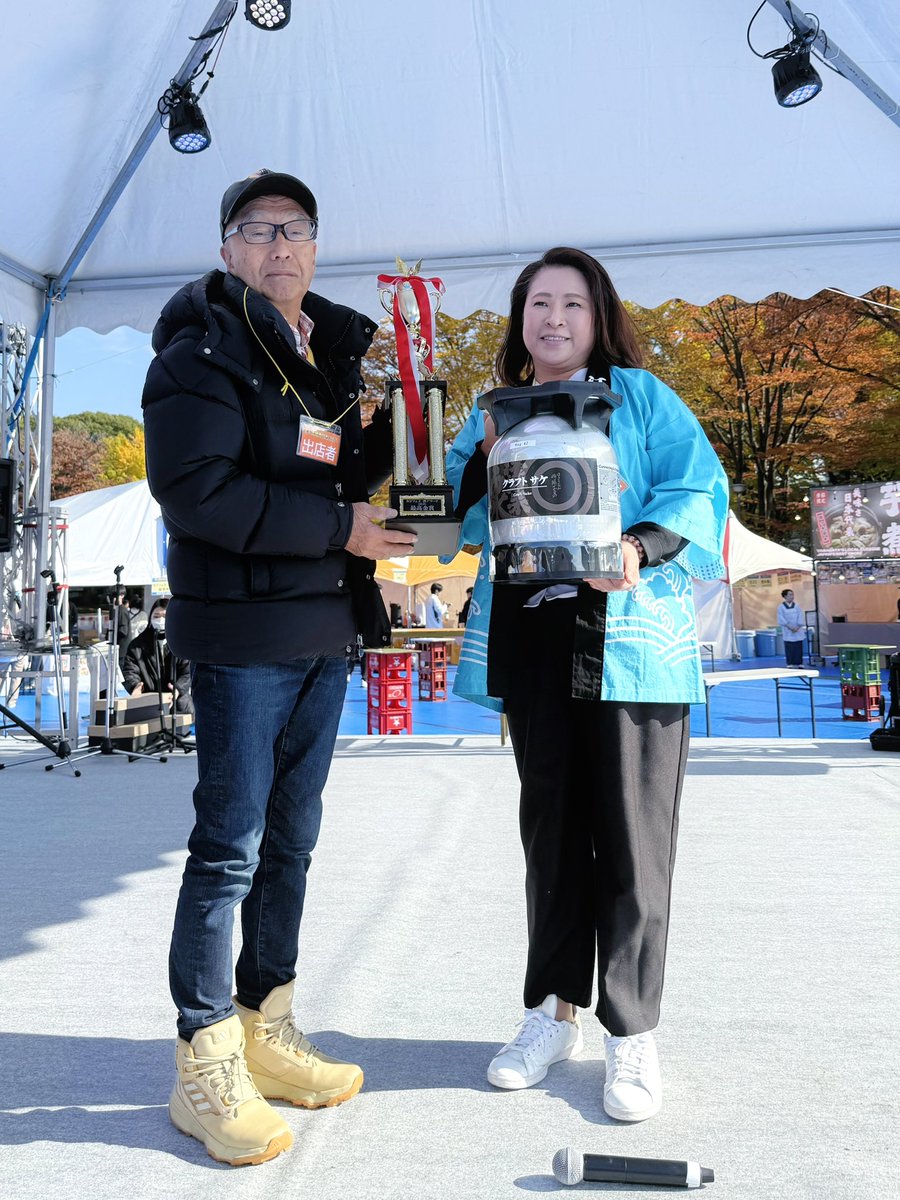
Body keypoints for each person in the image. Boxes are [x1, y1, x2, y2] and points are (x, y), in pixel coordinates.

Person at [142, 168, 416, 1166]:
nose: (279, 246)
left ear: (315, 246)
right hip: (242, 643)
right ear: (227, 249)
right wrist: (342, 524)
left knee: (292, 845)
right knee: (230, 848)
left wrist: (393, 423)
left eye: (296, 229)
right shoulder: (197, 357)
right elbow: (200, 495)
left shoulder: (332, 353)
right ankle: (204, 1056)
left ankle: (267, 1023)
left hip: (323, 634)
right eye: (257, 230)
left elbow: (352, 477)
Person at [446, 248, 727, 1123]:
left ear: (599, 317)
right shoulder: (491, 411)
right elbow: (446, 510)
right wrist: (475, 456)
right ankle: (550, 1012)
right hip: (534, 640)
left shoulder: (645, 398)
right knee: (552, 832)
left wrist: (637, 548)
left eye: (573, 304)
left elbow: (700, 487)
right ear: (520, 319)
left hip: (634, 638)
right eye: (539, 303)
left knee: (636, 845)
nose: (555, 319)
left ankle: (632, 1030)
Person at [122, 599, 194, 715]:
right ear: (150, 617)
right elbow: (130, 670)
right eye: (156, 616)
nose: (160, 620)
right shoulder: (137, 645)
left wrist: (178, 688)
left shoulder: (181, 642)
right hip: (149, 705)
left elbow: (188, 671)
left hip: (179, 706)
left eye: (165, 616)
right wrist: (135, 685)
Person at [777, 588, 805, 667]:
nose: (792, 596)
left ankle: (800, 663)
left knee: (798, 647)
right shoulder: (781, 607)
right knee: (789, 647)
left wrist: (797, 627)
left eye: (792, 594)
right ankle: (790, 663)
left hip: (797, 630)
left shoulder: (797, 606)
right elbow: (781, 618)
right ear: (785, 596)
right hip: (787, 630)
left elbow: (800, 616)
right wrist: (790, 627)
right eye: (790, 595)